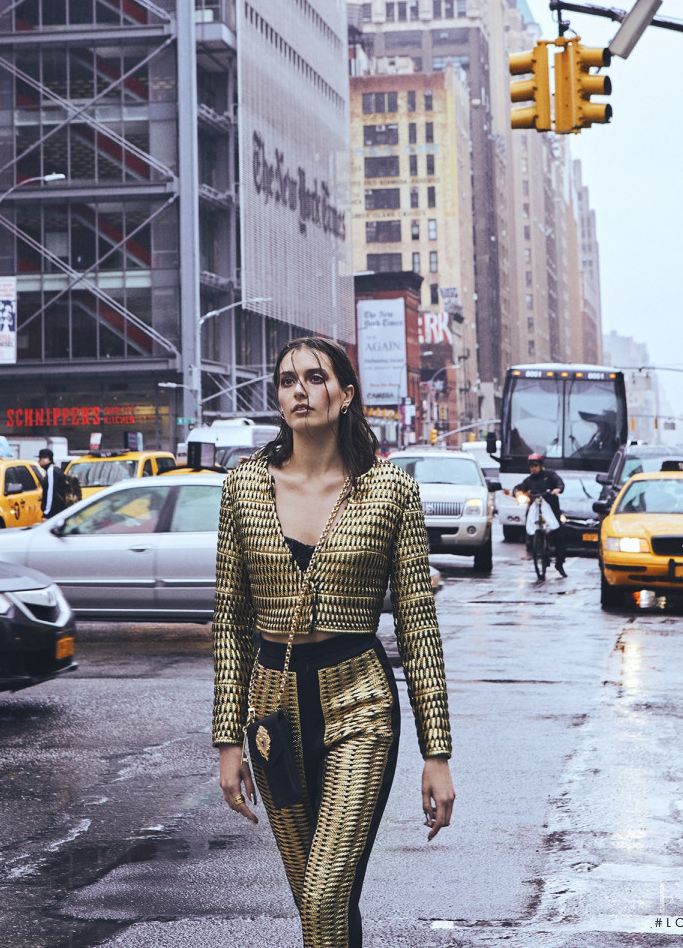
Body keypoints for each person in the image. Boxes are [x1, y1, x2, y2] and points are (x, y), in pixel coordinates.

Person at [214, 335, 454, 948]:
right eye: (287, 378)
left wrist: (437, 753)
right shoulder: (242, 488)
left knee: (324, 895)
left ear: (345, 395)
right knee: (321, 909)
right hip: (271, 713)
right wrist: (226, 741)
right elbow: (231, 621)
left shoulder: (390, 491)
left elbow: (418, 624)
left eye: (316, 377)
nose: (300, 388)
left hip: (360, 704)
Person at [513, 452, 567, 577]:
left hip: (551, 512)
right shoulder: (528, 481)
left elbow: (560, 483)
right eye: (531, 466)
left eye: (535, 465)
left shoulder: (550, 475)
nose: (533, 468)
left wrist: (557, 489)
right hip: (535, 511)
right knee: (530, 531)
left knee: (560, 536)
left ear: (541, 465)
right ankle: (536, 547)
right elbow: (518, 488)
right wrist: (518, 493)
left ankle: (559, 564)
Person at [38, 448, 67, 519]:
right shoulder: (57, 469)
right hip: (59, 511)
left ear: (47, 458)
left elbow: (50, 493)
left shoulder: (51, 471)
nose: (38, 461)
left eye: (40, 458)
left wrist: (47, 513)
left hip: (54, 513)